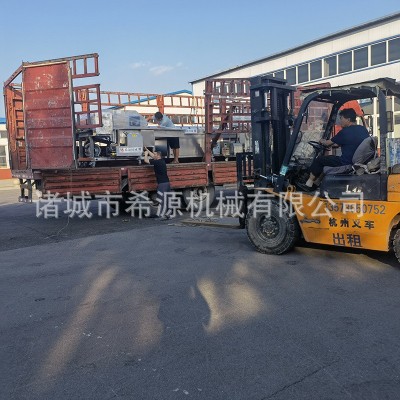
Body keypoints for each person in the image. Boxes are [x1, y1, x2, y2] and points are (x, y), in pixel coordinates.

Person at [299, 108, 369, 191]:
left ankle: (308, 184)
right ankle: (316, 183)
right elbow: (350, 142)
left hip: (346, 162)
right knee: (327, 162)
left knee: (320, 160)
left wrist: (321, 141)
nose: (340, 121)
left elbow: (327, 143)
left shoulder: (345, 131)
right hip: (358, 161)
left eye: (341, 118)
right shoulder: (362, 129)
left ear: (348, 119)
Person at [143, 147, 172, 219]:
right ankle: (168, 214)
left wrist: (145, 154)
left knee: (161, 200)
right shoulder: (161, 161)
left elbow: (146, 160)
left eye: (155, 154)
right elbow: (153, 156)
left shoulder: (157, 162)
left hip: (162, 184)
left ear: (158, 156)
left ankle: (162, 215)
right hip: (167, 183)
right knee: (167, 199)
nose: (153, 156)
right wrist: (147, 150)